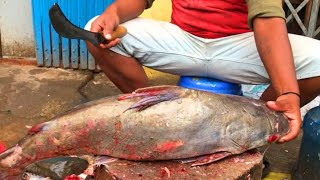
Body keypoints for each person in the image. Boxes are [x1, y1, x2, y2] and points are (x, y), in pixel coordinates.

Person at [84, 0, 320, 143]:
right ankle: (159, 116)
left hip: (238, 46)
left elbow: (267, 20)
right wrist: (113, 13)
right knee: (94, 32)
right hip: (182, 42)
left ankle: (250, 125)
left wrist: (288, 93)